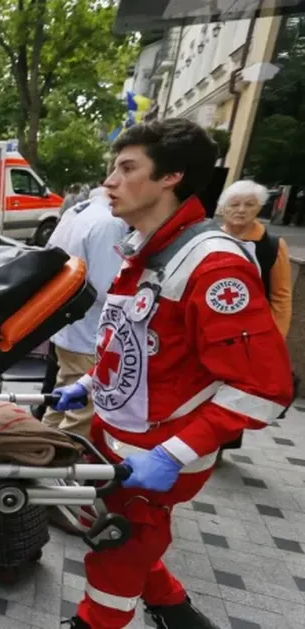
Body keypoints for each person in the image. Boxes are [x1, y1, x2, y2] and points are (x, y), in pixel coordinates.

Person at [53, 119, 294, 629]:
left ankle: (95, 622)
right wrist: (90, 385)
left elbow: (264, 388)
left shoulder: (212, 266)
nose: (108, 182)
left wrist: (173, 454)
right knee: (131, 533)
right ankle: (173, 611)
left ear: (172, 177)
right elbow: (139, 347)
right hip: (124, 436)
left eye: (127, 168)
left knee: (120, 547)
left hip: (161, 449)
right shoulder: (146, 249)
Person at [42, 181, 128, 438]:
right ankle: (58, 463)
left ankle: (38, 450)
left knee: (59, 403)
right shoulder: (109, 222)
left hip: (68, 326)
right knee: (80, 414)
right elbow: (107, 286)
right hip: (90, 333)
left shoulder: (76, 211)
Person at [217, 179, 293, 337]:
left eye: (250, 204)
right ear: (223, 208)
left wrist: (276, 338)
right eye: (234, 204)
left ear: (259, 207)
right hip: (213, 326)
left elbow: (281, 297)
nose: (241, 210)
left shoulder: (272, 245)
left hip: (252, 331)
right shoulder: (208, 239)